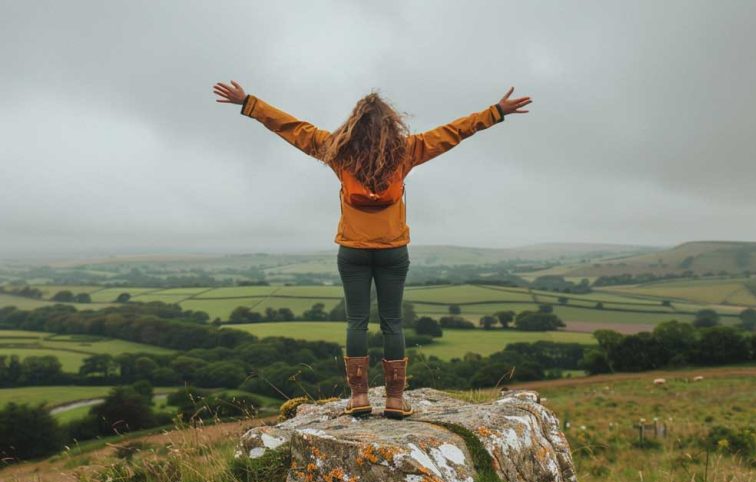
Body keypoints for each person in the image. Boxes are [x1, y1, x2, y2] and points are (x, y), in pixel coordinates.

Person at [213, 80, 532, 419]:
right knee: (393, 322)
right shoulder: (408, 151)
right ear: (391, 125)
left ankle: (359, 397)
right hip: (393, 250)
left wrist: (249, 102)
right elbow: (453, 132)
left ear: (354, 124)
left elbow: (292, 128)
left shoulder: (335, 150)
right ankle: (395, 399)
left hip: (352, 250)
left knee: (357, 322)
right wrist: (495, 112)